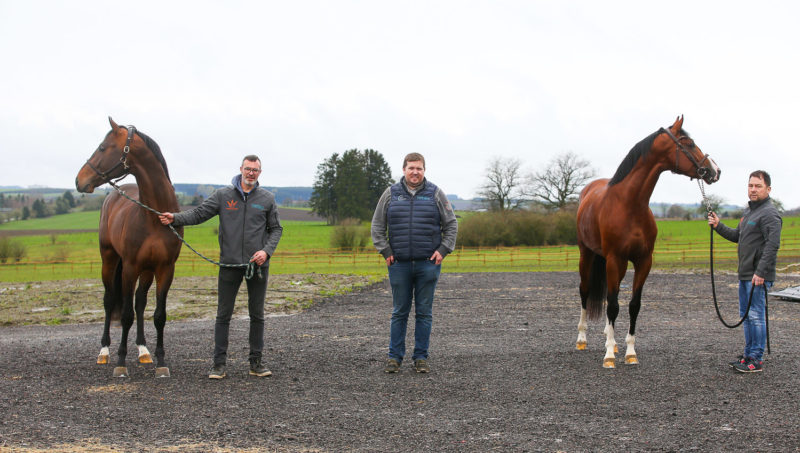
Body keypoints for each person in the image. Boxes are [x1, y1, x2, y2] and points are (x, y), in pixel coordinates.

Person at [159, 155, 282, 379]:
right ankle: (219, 365)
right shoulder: (223, 196)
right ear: (241, 170)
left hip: (257, 266)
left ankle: (256, 363)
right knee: (223, 315)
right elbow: (199, 214)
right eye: (248, 169)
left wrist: (266, 251)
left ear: (260, 173)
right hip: (229, 264)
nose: (251, 173)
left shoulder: (267, 199)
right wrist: (175, 218)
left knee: (257, 315)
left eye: (255, 170)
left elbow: (276, 229)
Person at [371, 152, 458, 374]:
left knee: (424, 313)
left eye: (419, 168)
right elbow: (377, 226)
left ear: (424, 170)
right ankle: (394, 357)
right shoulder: (390, 194)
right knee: (399, 311)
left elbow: (451, 224)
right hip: (398, 264)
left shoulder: (435, 194)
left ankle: (421, 358)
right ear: (404, 170)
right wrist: (385, 250)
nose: (415, 172)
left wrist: (443, 250)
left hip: (427, 264)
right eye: (411, 168)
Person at [708, 170, 782, 373]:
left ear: (768, 189)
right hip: (746, 274)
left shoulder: (770, 214)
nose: (753, 189)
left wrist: (761, 272)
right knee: (746, 315)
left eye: (758, 186)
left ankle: (756, 360)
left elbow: (772, 246)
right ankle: (748, 354)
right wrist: (718, 225)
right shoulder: (749, 213)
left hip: (758, 276)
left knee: (756, 316)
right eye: (750, 185)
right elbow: (736, 236)